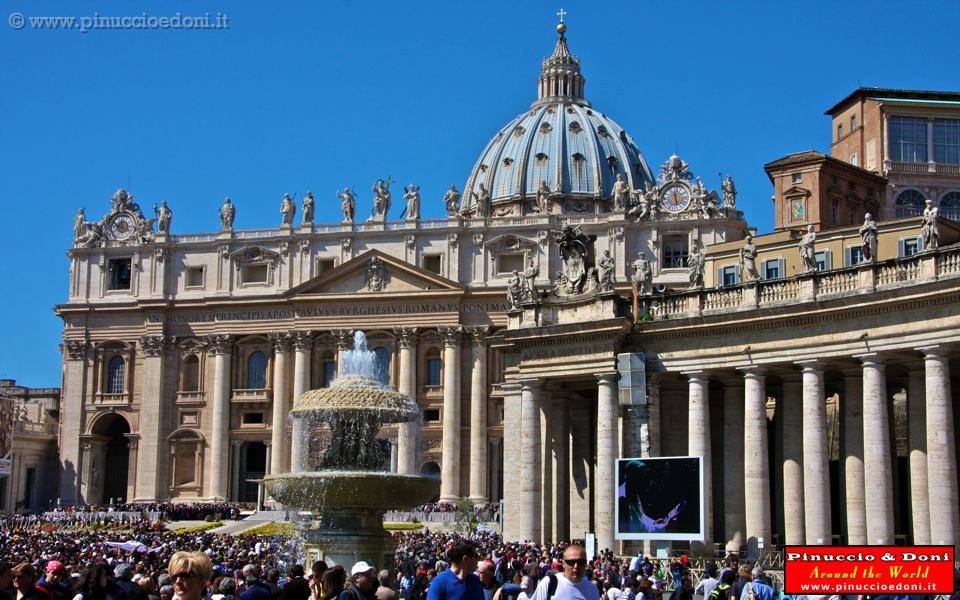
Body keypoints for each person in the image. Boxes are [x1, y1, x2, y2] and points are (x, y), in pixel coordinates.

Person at [529, 544, 599, 600]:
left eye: (581, 562)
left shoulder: (592, 589)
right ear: (563, 563)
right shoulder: (549, 583)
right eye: (571, 562)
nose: (576, 566)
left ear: (586, 564)